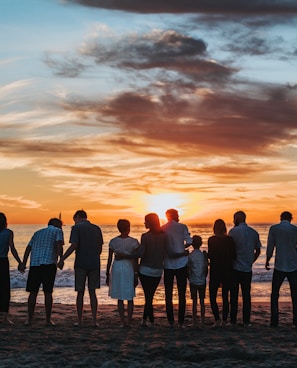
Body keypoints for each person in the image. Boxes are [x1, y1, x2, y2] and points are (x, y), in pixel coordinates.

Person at [58, 210, 103, 327]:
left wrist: (62, 258)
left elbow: (74, 245)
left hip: (81, 263)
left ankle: (80, 320)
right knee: (93, 292)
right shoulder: (97, 228)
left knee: (80, 292)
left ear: (77, 217)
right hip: (94, 263)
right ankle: (94, 321)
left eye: (75, 220)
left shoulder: (76, 228)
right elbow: (100, 248)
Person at [22, 218, 64, 326]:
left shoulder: (37, 233)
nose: (61, 227)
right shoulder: (57, 231)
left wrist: (23, 262)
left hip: (35, 264)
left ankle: (29, 319)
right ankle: (48, 320)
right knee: (48, 292)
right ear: (56, 224)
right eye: (61, 225)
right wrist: (61, 259)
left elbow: (28, 248)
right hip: (49, 263)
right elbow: (59, 244)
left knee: (33, 292)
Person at [229, 210, 261, 327]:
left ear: (237, 219)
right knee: (246, 296)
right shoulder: (254, 232)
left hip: (235, 267)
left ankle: (233, 320)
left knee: (234, 295)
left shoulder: (233, 231)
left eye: (234, 218)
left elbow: (229, 249)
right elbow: (258, 250)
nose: (233, 221)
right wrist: (251, 261)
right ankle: (246, 321)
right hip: (247, 268)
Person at [265, 211, 297, 328]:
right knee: (295, 294)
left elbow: (270, 246)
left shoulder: (274, 229)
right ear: (291, 218)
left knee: (275, 294)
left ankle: (274, 321)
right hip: (293, 264)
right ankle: (295, 320)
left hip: (279, 264)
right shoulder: (295, 229)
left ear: (280, 218)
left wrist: (267, 259)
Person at [106, 219, 139, 327]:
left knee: (120, 297)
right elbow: (135, 259)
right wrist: (136, 273)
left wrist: (107, 273)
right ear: (128, 228)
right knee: (129, 296)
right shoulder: (134, 242)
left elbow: (109, 259)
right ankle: (129, 321)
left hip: (116, 267)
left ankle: (122, 322)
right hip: (128, 267)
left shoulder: (113, 241)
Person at [162, 208, 192, 328]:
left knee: (168, 294)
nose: (179, 216)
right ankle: (181, 322)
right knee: (182, 293)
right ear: (175, 215)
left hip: (168, 264)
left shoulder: (163, 228)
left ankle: (170, 321)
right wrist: (181, 247)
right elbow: (189, 241)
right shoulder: (182, 227)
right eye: (178, 214)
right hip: (181, 264)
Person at [138, 213, 168, 327]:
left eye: (145, 221)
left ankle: (149, 321)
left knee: (148, 297)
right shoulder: (164, 236)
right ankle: (147, 320)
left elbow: (141, 254)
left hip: (145, 269)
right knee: (149, 296)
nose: (144, 223)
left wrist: (130, 253)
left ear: (149, 223)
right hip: (157, 270)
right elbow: (166, 251)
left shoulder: (145, 236)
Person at [208, 219, 236, 327]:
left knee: (213, 296)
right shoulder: (230, 240)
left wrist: (206, 255)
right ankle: (224, 320)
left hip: (216, 270)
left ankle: (217, 320)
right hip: (228, 270)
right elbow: (234, 255)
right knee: (225, 296)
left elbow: (211, 254)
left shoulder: (212, 239)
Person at [0, 212, 24, 324]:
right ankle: (4, 317)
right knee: (4, 289)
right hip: (3, 261)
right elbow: (12, 248)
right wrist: (20, 262)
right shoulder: (8, 232)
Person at [187, 235, 208, 327]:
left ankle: (195, 321)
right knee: (202, 301)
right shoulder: (203, 255)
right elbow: (206, 267)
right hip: (202, 280)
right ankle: (202, 320)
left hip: (193, 281)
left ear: (192, 244)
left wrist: (189, 278)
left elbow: (188, 269)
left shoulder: (190, 256)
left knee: (194, 302)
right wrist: (204, 276)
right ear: (201, 244)